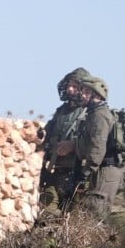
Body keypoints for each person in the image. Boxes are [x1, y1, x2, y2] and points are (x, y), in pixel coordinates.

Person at [57, 75, 124, 215]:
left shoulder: (100, 116)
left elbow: (97, 148)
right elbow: (88, 142)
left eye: (87, 92)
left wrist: (85, 173)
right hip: (99, 169)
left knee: (95, 213)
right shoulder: (93, 114)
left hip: (104, 170)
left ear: (97, 96)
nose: (83, 95)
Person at [37, 67, 91, 211]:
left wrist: (73, 146)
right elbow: (46, 134)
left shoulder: (92, 113)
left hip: (78, 176)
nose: (70, 89)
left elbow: (97, 143)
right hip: (55, 173)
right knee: (47, 214)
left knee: (75, 218)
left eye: (74, 86)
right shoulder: (61, 111)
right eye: (69, 85)